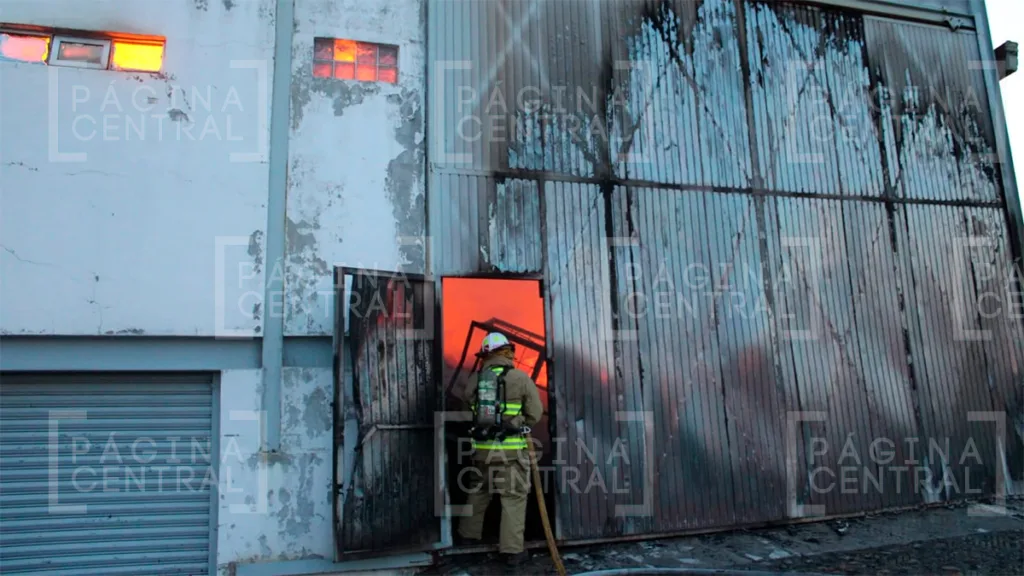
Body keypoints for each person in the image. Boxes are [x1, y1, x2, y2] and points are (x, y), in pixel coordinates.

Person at [457, 332, 544, 566]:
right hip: (511, 453)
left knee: (478, 492)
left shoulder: (477, 378)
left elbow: (468, 408)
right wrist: (518, 424)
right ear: (507, 351)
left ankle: (467, 540)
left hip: (482, 451)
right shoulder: (520, 378)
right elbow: (535, 412)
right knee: (513, 498)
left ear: (485, 354)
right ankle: (512, 552)